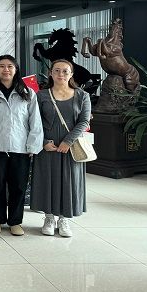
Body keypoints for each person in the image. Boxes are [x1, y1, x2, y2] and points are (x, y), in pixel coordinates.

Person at [0, 54, 43, 236]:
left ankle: (15, 221)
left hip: (20, 147)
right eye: (1, 66)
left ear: (16, 70)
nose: (6, 69)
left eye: (10, 66)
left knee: (19, 186)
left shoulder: (27, 93)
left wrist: (33, 145)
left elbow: (35, 121)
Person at [30, 59, 91, 238]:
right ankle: (49, 218)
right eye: (57, 70)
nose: (61, 74)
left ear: (71, 74)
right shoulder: (41, 95)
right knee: (47, 180)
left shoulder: (82, 96)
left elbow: (84, 121)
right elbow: (34, 121)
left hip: (71, 146)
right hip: (48, 146)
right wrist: (43, 142)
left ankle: (64, 219)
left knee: (69, 181)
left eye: (65, 71)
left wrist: (68, 141)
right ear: (51, 73)